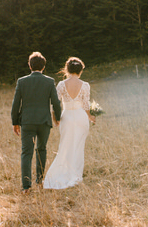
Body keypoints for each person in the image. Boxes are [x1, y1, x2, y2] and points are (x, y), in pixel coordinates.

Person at [11, 51, 62, 193]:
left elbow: (16, 104)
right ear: (43, 67)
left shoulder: (21, 81)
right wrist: (57, 117)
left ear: (29, 66)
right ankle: (39, 180)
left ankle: (26, 186)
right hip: (44, 121)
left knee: (26, 153)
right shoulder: (50, 81)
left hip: (27, 122)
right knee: (41, 149)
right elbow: (56, 103)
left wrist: (15, 122)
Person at [43, 56, 96, 189]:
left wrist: (56, 119)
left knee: (65, 146)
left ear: (67, 69)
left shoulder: (61, 84)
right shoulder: (85, 85)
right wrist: (90, 117)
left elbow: (55, 103)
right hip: (80, 117)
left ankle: (64, 173)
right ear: (80, 71)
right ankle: (76, 175)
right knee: (78, 146)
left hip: (66, 117)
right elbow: (86, 105)